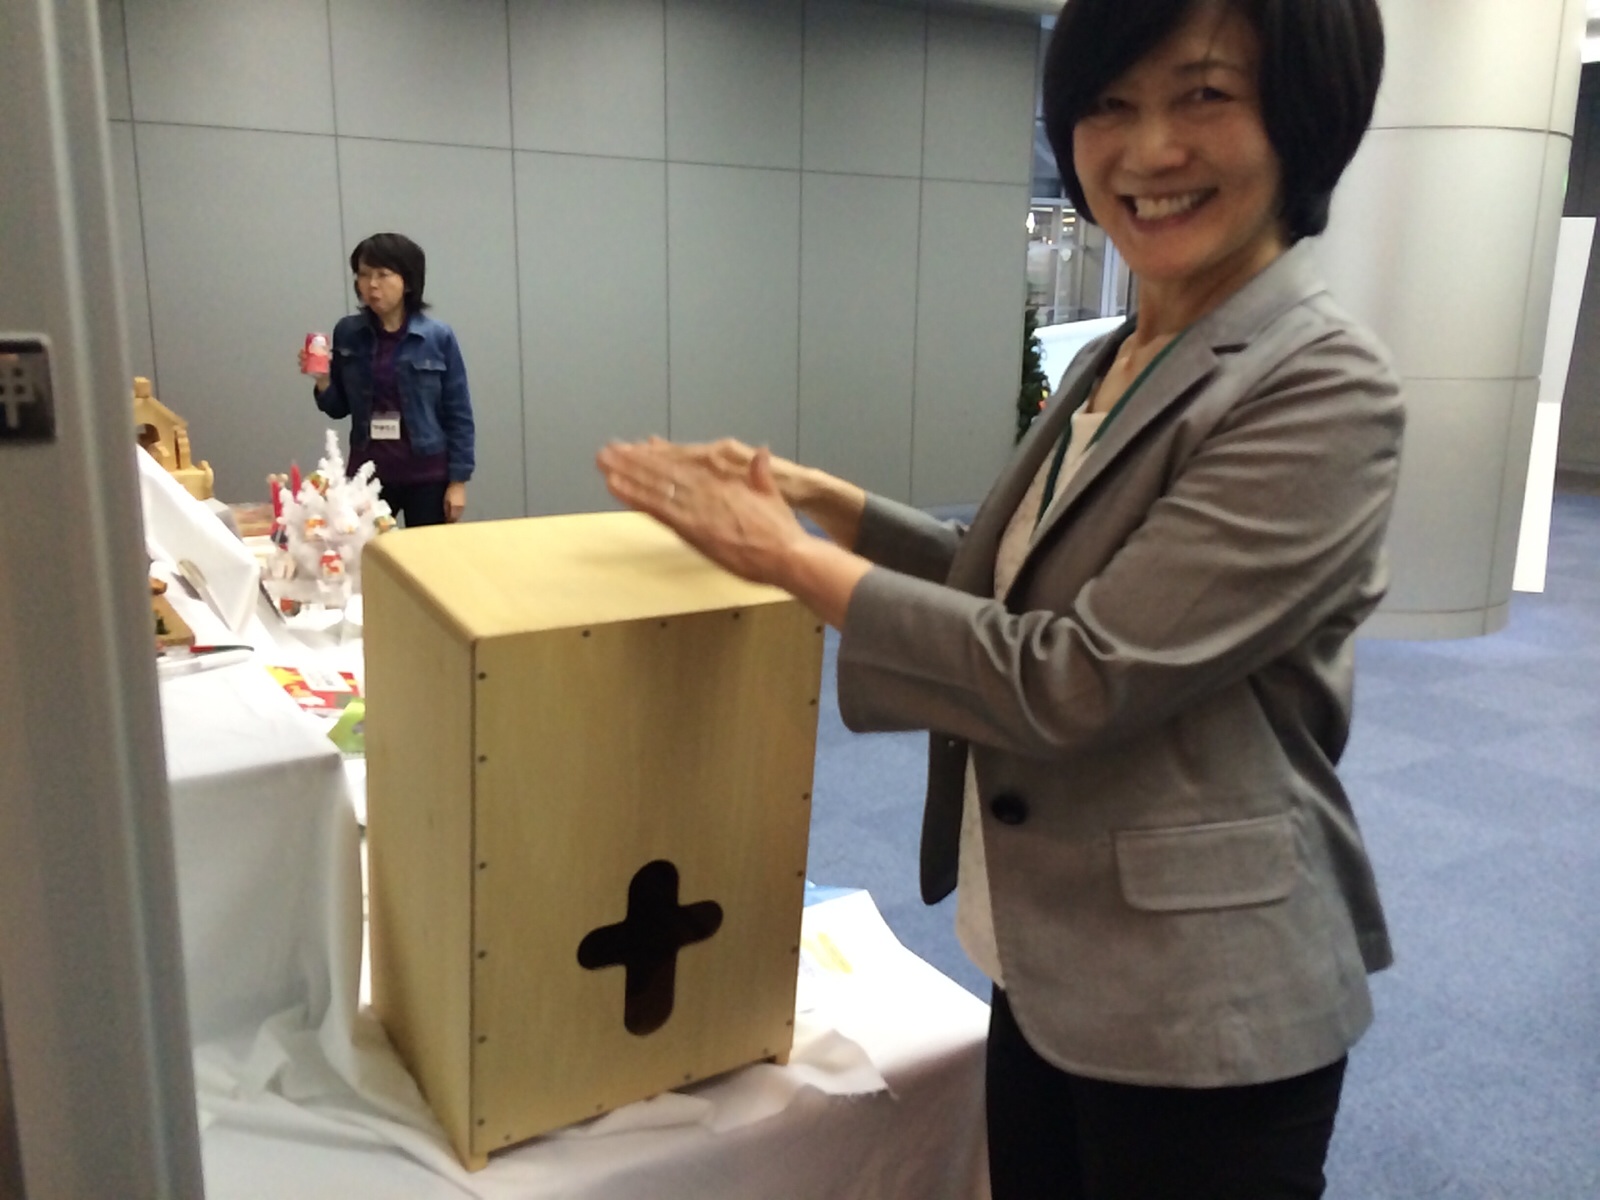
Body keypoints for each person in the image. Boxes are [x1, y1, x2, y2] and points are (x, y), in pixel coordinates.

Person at [598, 0, 1397, 1195]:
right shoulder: (1120, 354)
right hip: (1052, 949)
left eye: (1203, 95)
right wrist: (820, 502)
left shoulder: (1322, 385)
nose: (1148, 149)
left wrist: (787, 559)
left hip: (1203, 999)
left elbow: (1076, 673)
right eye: (1108, 105)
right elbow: (1012, 585)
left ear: (1302, 116)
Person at [301, 232, 474, 526]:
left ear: (408, 281)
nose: (371, 284)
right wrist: (322, 380)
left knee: (425, 552)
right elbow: (338, 408)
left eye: (382, 274)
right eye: (363, 274)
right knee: (367, 551)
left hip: (427, 476)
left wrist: (458, 481)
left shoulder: (437, 336)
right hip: (367, 477)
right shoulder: (348, 333)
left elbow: (458, 413)